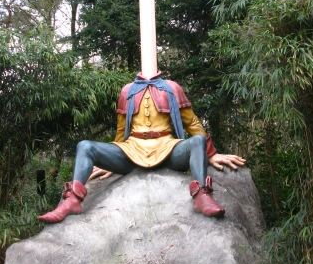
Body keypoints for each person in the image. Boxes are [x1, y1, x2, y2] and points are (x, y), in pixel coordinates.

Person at [39, 72, 246, 223]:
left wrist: (211, 154)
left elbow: (192, 125)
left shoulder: (172, 87)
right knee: (85, 146)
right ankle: (72, 201)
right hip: (132, 150)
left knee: (197, 141)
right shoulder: (127, 91)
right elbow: (121, 133)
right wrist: (109, 161)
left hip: (167, 148)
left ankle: (202, 196)